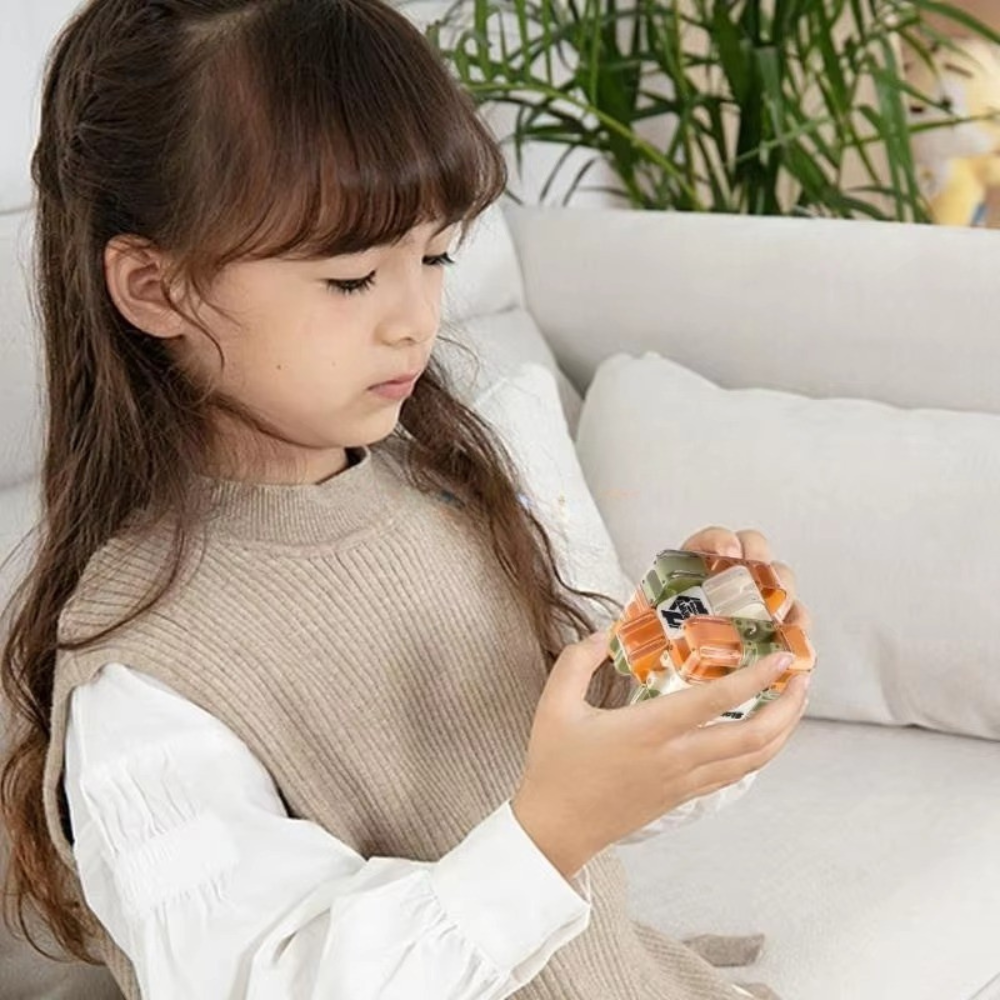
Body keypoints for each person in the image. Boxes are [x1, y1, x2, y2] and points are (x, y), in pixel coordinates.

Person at [0, 1, 812, 998]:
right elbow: (281, 980)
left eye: (435, 257)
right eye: (352, 279)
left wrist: (687, 668)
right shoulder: (146, 674)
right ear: (156, 288)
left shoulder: (440, 483)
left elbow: (552, 766)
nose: (415, 320)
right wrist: (551, 831)